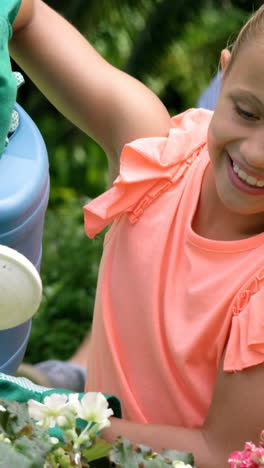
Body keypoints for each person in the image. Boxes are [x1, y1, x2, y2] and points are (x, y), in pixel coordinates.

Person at [9, 1, 264, 466]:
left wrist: (34, 418)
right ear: (223, 78)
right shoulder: (159, 157)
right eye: (247, 112)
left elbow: (219, 450)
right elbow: (24, 16)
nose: (258, 152)